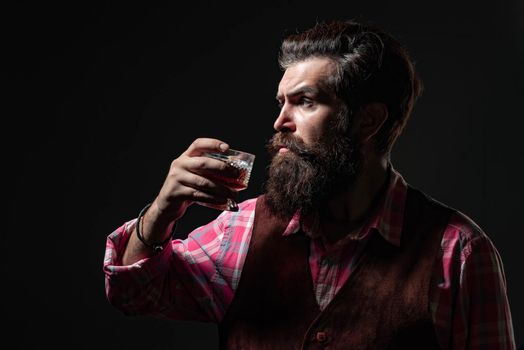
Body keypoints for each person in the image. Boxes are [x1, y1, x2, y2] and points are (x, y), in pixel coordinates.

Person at [103, 19, 516, 349]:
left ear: (368, 120)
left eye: (304, 101)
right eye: (281, 102)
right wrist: (161, 212)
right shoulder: (243, 230)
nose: (280, 122)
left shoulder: (458, 253)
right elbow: (133, 294)